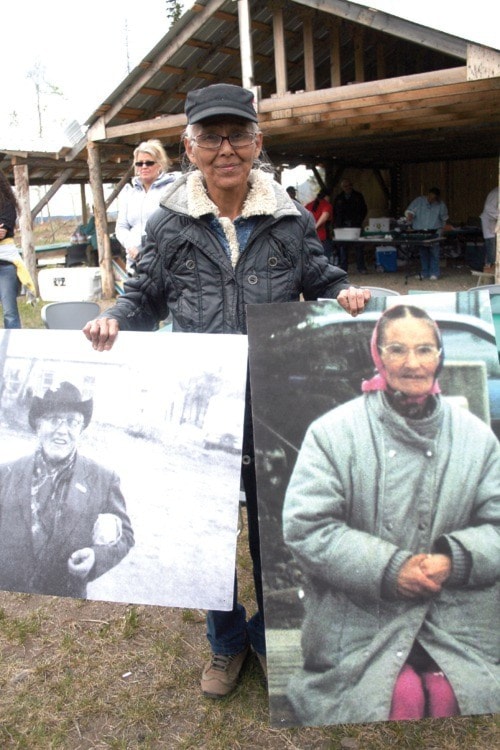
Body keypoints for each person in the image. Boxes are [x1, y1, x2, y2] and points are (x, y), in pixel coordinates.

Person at [83, 82, 370, 700]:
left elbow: (319, 278)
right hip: (201, 406)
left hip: (272, 401)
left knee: (276, 532)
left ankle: (269, 637)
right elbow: (141, 298)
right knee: (204, 535)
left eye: (237, 134)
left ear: (257, 143)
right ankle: (226, 640)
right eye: (210, 137)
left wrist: (341, 294)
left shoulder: (289, 218)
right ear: (189, 148)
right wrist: (115, 318)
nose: (225, 148)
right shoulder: (168, 222)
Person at [283, 303, 500, 726]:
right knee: (394, 696)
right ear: (377, 355)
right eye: (397, 349)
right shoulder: (333, 434)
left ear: (440, 356)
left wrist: (455, 560)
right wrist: (390, 569)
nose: (412, 363)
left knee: (449, 689)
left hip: (455, 617)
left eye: (425, 350)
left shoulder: (478, 439)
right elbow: (308, 526)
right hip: (362, 618)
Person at [0, 381, 135, 598]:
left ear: (80, 429)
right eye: (53, 420)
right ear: (38, 425)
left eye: (72, 422)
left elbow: (125, 536)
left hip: (65, 604)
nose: (62, 431)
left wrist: (96, 557)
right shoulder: (5, 473)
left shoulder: (103, 479)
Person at [115, 139, 179, 274]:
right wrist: (130, 246)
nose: (144, 166)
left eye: (149, 162)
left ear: (160, 165)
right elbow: (121, 227)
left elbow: (176, 226)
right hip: (135, 263)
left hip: (165, 263)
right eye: (139, 163)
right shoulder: (129, 193)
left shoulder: (172, 190)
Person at [0, 170, 36, 327]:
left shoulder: (6, 202)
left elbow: (3, 232)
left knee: (10, 311)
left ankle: (15, 349)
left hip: (6, 264)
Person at [405, 187, 448, 280]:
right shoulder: (419, 201)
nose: (431, 200)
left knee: (434, 253)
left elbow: (444, 219)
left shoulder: (441, 205)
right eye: (430, 197)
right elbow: (410, 211)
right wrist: (409, 216)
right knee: (423, 252)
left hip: (435, 230)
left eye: (433, 199)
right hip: (421, 231)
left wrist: (442, 231)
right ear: (428, 194)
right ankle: (424, 272)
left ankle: (434, 273)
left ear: (437, 198)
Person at [333, 177, 368, 273]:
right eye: (345, 186)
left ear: (351, 186)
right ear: (342, 187)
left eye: (348, 186)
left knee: (359, 246)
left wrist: (359, 220)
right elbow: (335, 212)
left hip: (355, 225)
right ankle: (344, 269)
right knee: (343, 248)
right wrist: (337, 223)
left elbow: (364, 210)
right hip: (342, 226)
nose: (347, 187)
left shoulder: (358, 196)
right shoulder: (339, 198)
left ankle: (361, 268)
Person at [305, 189, 334, 261]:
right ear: (327, 197)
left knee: (313, 260)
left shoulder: (309, 205)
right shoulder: (327, 205)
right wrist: (315, 227)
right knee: (325, 259)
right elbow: (325, 215)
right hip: (323, 236)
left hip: (310, 236)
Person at [480, 186, 499, 274]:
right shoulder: (496, 193)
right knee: (491, 246)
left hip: (494, 222)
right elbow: (489, 208)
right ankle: (490, 267)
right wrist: (498, 216)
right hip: (489, 222)